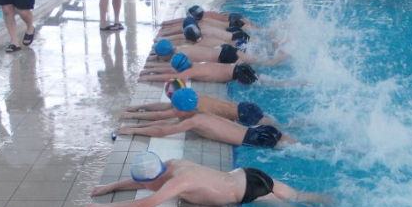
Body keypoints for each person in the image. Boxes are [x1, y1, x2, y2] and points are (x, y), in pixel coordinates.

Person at [84, 151, 330, 207]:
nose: (141, 185)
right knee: (301, 197)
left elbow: (143, 206)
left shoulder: (178, 183)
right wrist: (109, 187)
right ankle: (333, 202)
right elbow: (142, 181)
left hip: (250, 192)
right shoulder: (174, 164)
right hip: (249, 174)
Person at [118, 86, 294, 149]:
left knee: (299, 149)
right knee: (300, 145)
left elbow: (162, 130)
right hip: (258, 130)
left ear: (182, 109)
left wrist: (132, 131)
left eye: (175, 108)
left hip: (255, 137)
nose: (173, 110)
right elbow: (166, 121)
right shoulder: (199, 111)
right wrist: (134, 125)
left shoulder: (195, 120)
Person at [123, 78, 276, 126]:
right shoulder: (194, 97)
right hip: (244, 106)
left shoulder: (191, 107)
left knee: (281, 131)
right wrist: (136, 108)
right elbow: (164, 107)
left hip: (245, 115)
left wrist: (133, 117)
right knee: (280, 127)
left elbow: (161, 116)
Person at [149, 38, 286, 68]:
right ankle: (276, 50)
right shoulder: (180, 47)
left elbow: (170, 67)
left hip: (224, 56)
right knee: (256, 60)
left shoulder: (179, 56)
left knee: (262, 64)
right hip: (223, 49)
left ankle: (279, 58)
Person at [139, 52, 258, 85]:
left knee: (261, 84)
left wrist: (147, 77)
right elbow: (171, 70)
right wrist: (149, 70)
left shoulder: (191, 72)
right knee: (261, 80)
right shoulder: (195, 64)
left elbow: (171, 77)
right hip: (240, 67)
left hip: (239, 75)